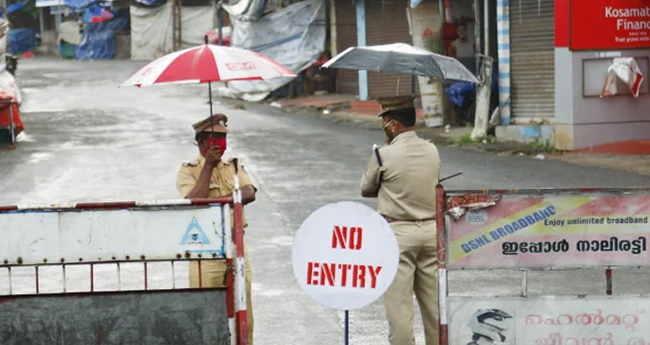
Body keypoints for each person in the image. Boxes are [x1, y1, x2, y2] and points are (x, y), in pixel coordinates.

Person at [360, 96, 441, 345]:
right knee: (435, 308)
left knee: (399, 308)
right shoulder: (432, 149)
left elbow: (366, 188)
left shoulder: (383, 155)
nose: (383, 126)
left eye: (384, 121)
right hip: (431, 232)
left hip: (398, 235)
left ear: (394, 124)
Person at [176, 113, 256, 343]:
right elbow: (195, 200)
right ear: (201, 142)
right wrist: (208, 167)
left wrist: (221, 199)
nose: (220, 143)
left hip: (236, 244)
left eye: (223, 138)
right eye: (214, 138)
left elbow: (249, 192)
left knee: (244, 310)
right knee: (206, 311)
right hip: (205, 248)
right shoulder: (188, 170)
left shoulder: (234, 166)